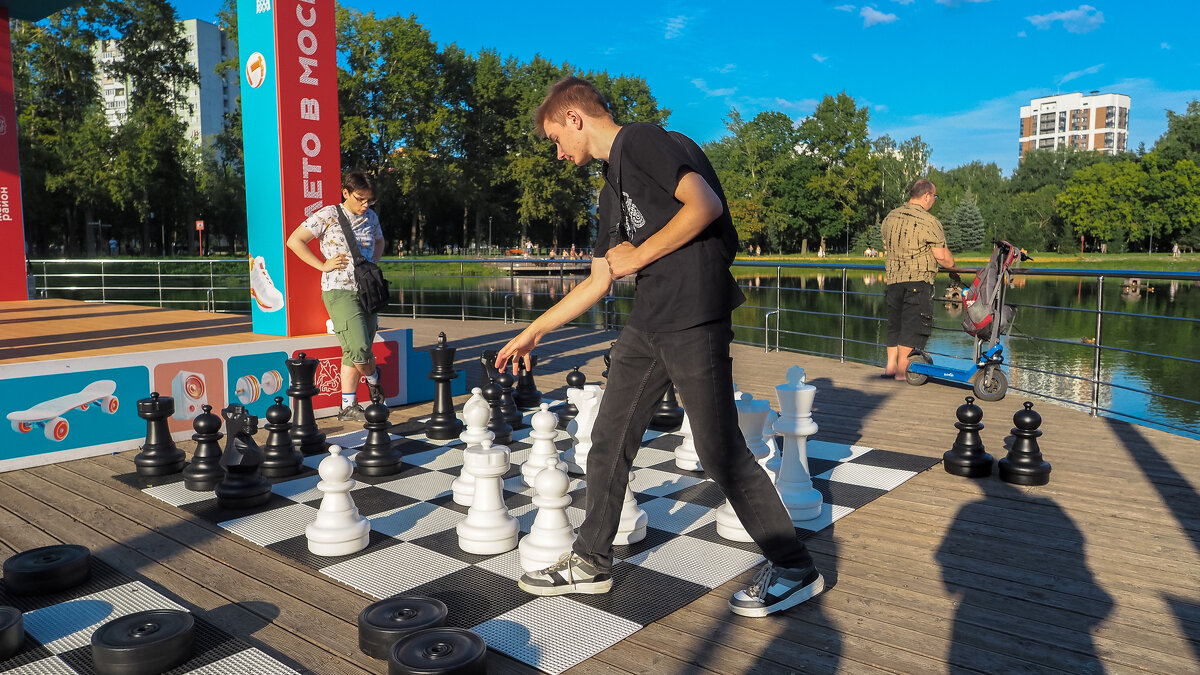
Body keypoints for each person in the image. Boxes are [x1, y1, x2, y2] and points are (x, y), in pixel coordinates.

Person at [496, 76, 824, 618]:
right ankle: (592, 560)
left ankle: (794, 567)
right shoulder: (609, 186)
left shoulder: (641, 139)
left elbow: (705, 205)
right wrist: (535, 330)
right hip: (649, 323)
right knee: (608, 438)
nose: (558, 154)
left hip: (694, 313)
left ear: (575, 118)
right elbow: (601, 277)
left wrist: (640, 255)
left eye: (557, 138)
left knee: (720, 450)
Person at [286, 170, 386, 422]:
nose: (365, 205)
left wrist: (372, 262)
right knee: (360, 349)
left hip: (368, 290)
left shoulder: (371, 217)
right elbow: (294, 240)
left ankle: (347, 405)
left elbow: (380, 241)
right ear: (346, 193)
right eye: (360, 199)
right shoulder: (328, 214)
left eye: (369, 200)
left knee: (350, 350)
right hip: (339, 289)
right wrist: (322, 265)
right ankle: (374, 379)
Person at [880, 179, 955, 380]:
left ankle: (889, 368)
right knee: (913, 326)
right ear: (926, 196)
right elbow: (943, 258)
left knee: (895, 323)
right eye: (935, 197)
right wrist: (952, 263)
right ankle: (901, 373)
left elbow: (887, 248)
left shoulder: (890, 217)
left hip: (894, 280)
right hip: (918, 281)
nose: (934, 201)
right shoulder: (929, 222)